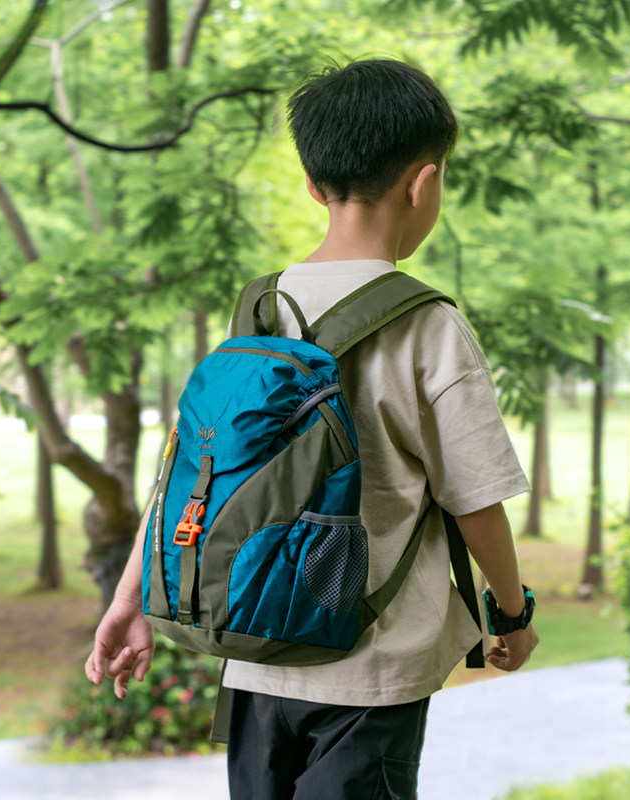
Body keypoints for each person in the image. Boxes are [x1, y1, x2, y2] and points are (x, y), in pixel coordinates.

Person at [86, 58, 538, 799]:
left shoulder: (257, 312)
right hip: (371, 671)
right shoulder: (428, 324)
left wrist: (128, 600)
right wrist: (512, 614)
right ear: (423, 183)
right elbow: (476, 500)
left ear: (311, 183)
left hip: (253, 656)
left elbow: (187, 475)